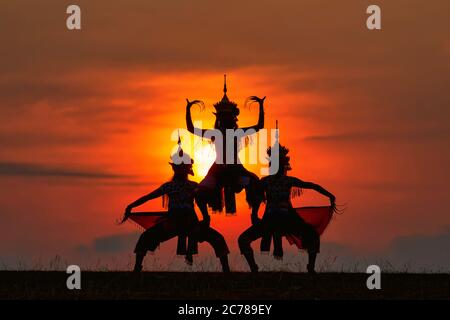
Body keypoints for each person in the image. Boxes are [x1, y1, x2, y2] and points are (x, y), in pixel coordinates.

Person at [121, 142, 230, 272]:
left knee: (146, 238)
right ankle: (137, 268)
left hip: (180, 223)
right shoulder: (188, 186)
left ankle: (137, 268)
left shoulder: (187, 186)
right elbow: (148, 197)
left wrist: (131, 206)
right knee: (217, 239)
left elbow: (148, 197)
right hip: (181, 222)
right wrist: (131, 205)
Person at [238, 143, 336, 274]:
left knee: (312, 236)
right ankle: (254, 268)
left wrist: (329, 195)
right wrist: (254, 215)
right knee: (243, 239)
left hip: (283, 219)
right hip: (276, 219)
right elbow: (257, 198)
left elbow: (311, 185)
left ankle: (311, 268)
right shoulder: (268, 181)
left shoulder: (277, 181)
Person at [185, 75, 265, 216]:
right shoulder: (215, 133)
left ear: (233, 118)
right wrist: (188, 110)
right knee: (198, 193)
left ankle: (254, 215)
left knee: (256, 185)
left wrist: (261, 106)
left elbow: (259, 126)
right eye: (223, 117)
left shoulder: (237, 132)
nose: (225, 119)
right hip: (217, 169)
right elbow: (191, 129)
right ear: (220, 119)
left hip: (236, 167)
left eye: (228, 117)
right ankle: (205, 217)